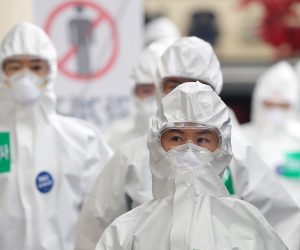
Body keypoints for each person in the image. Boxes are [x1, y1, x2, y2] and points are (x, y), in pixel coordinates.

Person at [76, 37, 300, 250]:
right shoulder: (130, 161)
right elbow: (95, 226)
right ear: (158, 87)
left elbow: (282, 222)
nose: (185, 94)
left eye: (203, 139)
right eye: (173, 85)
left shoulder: (238, 157)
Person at [95, 82, 287, 250]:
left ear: (222, 148)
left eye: (202, 139)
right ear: (155, 144)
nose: (188, 149)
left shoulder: (248, 226)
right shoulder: (125, 232)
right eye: (176, 138)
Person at [0, 22, 112, 250]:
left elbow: (104, 214)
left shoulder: (82, 140)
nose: (25, 76)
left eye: (35, 67)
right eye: (14, 66)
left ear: (50, 71)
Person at [242, 61, 300, 206]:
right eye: (270, 104)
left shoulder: (297, 139)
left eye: (283, 105)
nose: (276, 111)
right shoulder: (241, 137)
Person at [105, 39, 174, 151]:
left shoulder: (198, 142)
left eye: (164, 91)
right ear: (135, 92)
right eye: (147, 91)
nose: (156, 100)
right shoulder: (114, 140)